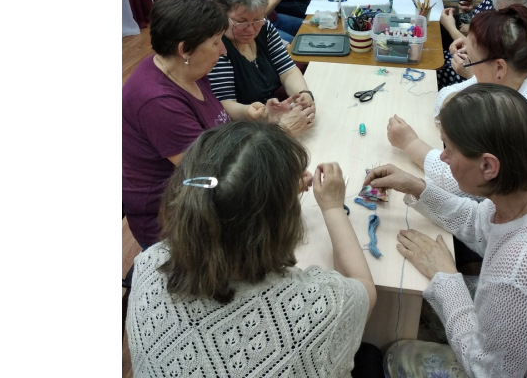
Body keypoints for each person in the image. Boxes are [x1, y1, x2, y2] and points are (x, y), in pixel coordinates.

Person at [127, 121, 378, 377]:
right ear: (284, 222)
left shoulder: (148, 263)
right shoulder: (322, 308)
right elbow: (363, 289)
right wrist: (333, 206)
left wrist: (271, 197)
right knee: (371, 356)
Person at [364, 83, 527, 377]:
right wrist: (418, 187)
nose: (443, 157)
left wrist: (447, 278)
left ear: (488, 166)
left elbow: (488, 371)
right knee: (424, 301)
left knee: (397, 355)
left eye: (448, 148)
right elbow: (481, 222)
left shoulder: (518, 271)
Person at [388, 4, 527, 187]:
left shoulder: (521, 112)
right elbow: (444, 99)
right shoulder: (522, 72)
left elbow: (466, 181)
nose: (469, 67)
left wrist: (410, 143)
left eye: (472, 61)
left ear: (499, 67)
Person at [122, 0, 231, 248]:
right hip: (175, 220)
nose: (223, 50)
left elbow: (214, 119)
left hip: (202, 197)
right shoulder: (158, 102)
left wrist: (258, 116)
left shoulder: (184, 69)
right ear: (184, 49)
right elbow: (210, 173)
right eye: (216, 42)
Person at [208, 0, 317, 136]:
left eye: (257, 20)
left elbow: (288, 71)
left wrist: (304, 94)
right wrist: (254, 112)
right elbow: (226, 104)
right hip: (244, 129)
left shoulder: (264, 28)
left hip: (273, 116)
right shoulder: (218, 47)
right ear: (221, 15)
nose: (251, 29)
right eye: (241, 22)